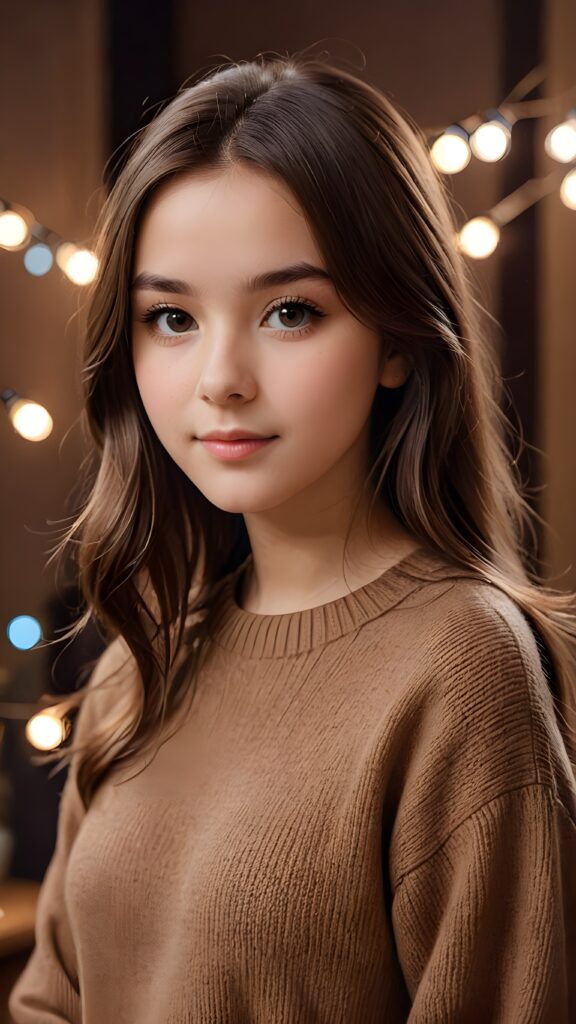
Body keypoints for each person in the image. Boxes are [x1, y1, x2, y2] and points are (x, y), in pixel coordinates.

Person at [9, 50, 576, 1023]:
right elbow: (52, 1000)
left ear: (399, 339)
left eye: (289, 311)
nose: (220, 378)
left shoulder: (463, 669)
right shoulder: (144, 653)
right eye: (171, 317)